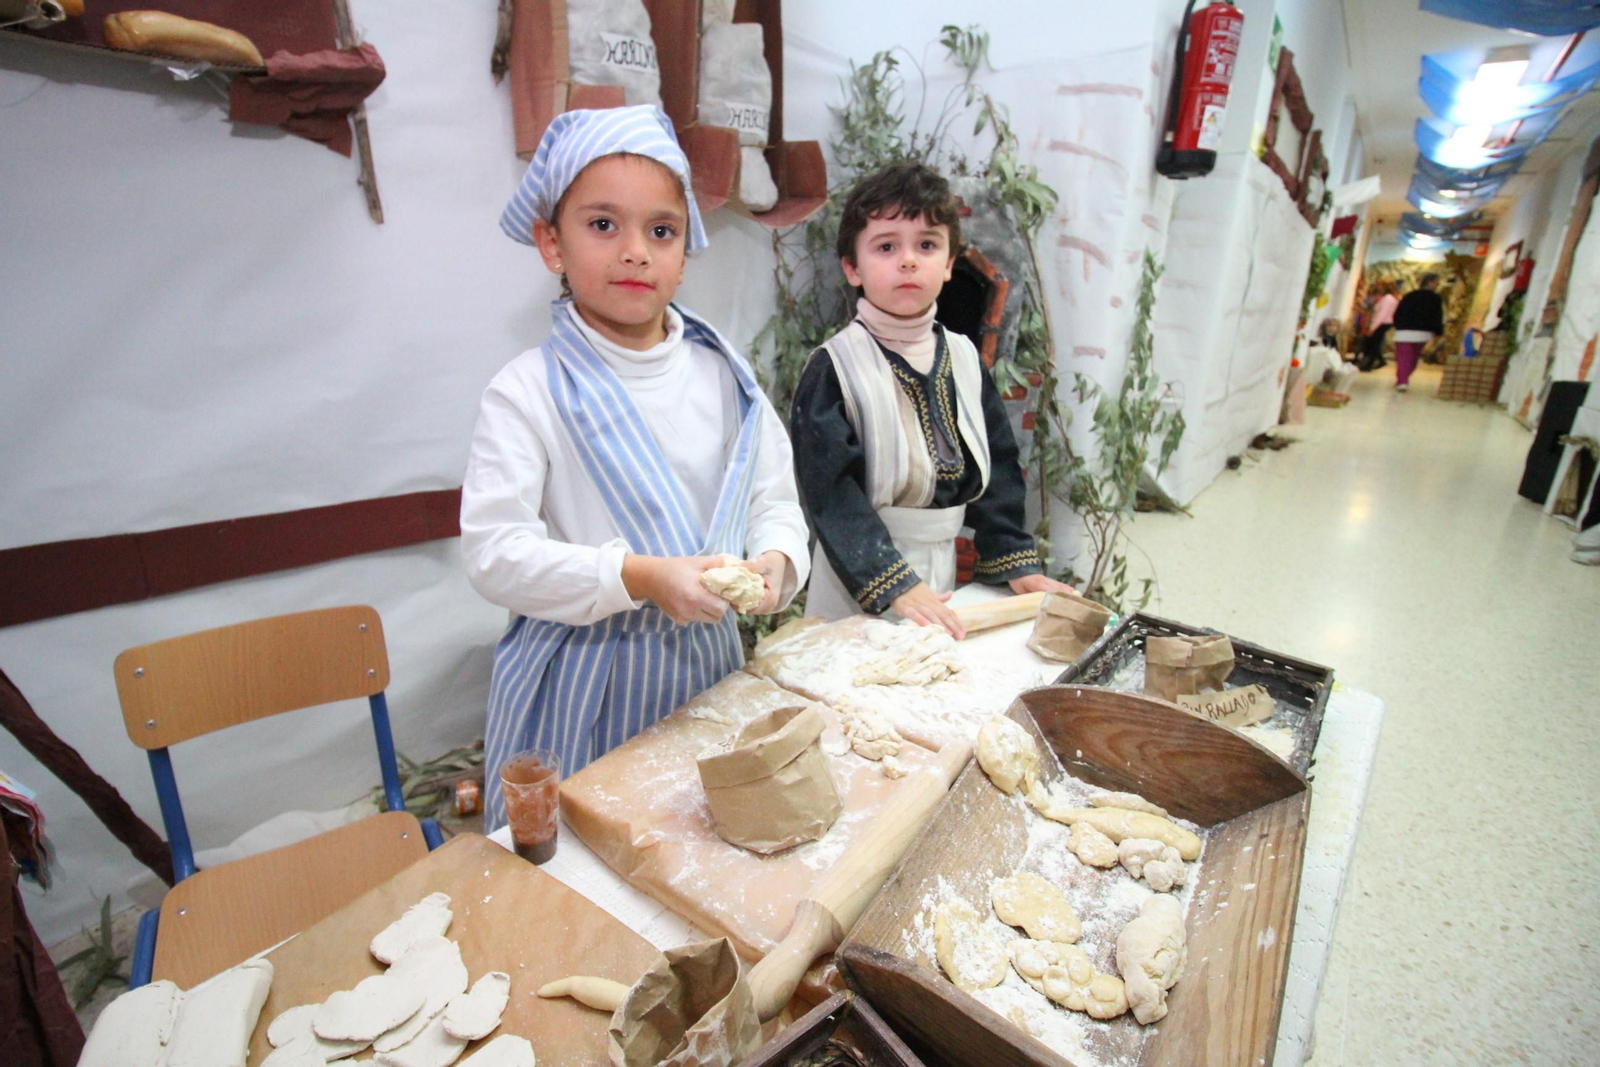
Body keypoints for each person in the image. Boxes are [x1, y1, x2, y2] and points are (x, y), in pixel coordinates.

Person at [461, 106, 810, 828]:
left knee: (691, 856)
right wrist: (638, 578)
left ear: (686, 250)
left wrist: (776, 560)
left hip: (706, 678)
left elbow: (773, 497)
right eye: (602, 225)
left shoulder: (724, 378)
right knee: (582, 888)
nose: (635, 252)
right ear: (549, 243)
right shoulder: (527, 391)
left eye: (661, 230)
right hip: (575, 689)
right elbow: (495, 556)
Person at [789, 161, 1072, 638]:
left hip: (939, 572)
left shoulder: (962, 357)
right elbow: (830, 493)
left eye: (926, 245)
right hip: (857, 574)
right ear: (852, 268)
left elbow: (999, 467)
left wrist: (1012, 556)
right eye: (886, 246)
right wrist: (894, 582)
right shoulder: (834, 368)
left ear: (948, 264)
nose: (908, 260)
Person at [1391, 273, 1446, 392]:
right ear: (1430, 282)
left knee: (1403, 357)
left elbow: (1398, 313)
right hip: (1423, 333)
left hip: (1404, 332)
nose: (1437, 284)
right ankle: (1403, 379)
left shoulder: (1409, 296)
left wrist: (1397, 325)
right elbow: (1437, 316)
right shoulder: (1435, 298)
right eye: (1436, 281)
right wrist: (1438, 331)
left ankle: (1402, 380)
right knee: (1413, 358)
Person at [1359, 281, 1398, 371]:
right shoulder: (1387, 298)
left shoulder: (1388, 299)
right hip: (1382, 322)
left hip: (1383, 323)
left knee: (1374, 343)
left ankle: (1369, 364)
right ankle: (1380, 361)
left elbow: (1381, 314)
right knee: (1375, 342)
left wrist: (1373, 327)